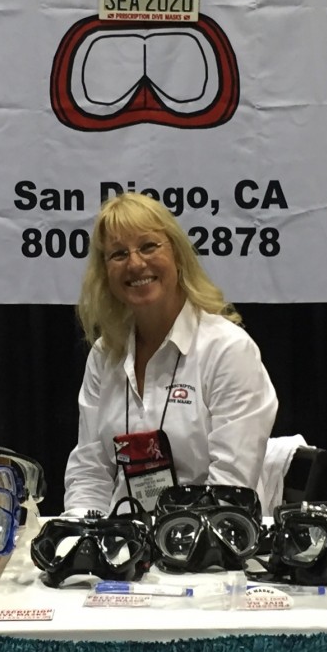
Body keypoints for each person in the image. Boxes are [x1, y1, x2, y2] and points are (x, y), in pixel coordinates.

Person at [63, 192, 278, 515]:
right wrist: (82, 534)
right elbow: (89, 474)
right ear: (105, 273)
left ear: (177, 255)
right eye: (118, 254)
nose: (136, 263)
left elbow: (229, 489)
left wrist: (165, 539)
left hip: (209, 537)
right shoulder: (103, 356)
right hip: (123, 539)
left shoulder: (228, 350)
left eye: (148, 246)